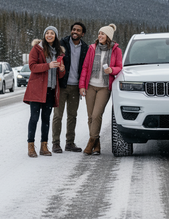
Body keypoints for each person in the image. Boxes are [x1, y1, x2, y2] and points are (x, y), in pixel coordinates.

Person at [79, 23, 122, 155]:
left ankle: (91, 141)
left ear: (108, 36)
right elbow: (85, 67)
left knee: (97, 115)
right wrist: (82, 86)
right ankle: (97, 145)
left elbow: (120, 67)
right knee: (90, 117)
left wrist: (112, 70)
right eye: (99, 33)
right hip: (91, 85)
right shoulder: (92, 48)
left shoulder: (116, 50)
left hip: (104, 87)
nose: (100, 36)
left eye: (102, 34)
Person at [23, 26, 65, 158]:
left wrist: (62, 69)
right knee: (34, 118)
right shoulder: (37, 49)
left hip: (50, 89)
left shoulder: (58, 51)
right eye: (47, 33)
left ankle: (44, 146)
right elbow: (32, 66)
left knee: (46, 119)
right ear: (44, 35)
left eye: (52, 33)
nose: (49, 35)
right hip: (37, 89)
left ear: (55, 36)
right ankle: (31, 146)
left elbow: (60, 75)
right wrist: (48, 66)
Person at [51, 22, 89, 153]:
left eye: (78, 30)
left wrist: (83, 85)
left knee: (72, 116)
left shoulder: (85, 47)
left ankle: (70, 143)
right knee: (57, 115)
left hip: (75, 87)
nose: (75, 32)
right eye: (73, 29)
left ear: (82, 34)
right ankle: (55, 143)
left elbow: (86, 67)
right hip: (62, 86)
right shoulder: (62, 43)